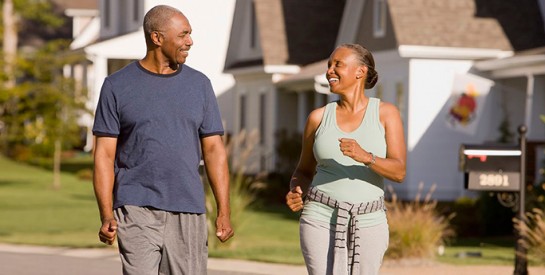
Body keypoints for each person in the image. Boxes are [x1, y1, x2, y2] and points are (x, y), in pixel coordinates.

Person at [92, 5, 233, 275]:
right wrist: (106, 213)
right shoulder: (117, 86)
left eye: (189, 34)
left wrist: (223, 211)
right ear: (157, 38)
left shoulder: (200, 85)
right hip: (135, 206)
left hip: (188, 207)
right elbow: (104, 155)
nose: (190, 41)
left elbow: (214, 150)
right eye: (183, 35)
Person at [285, 43, 406, 275]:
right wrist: (296, 189)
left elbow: (399, 171)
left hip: (369, 221)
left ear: (360, 71)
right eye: (329, 65)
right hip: (319, 217)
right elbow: (303, 171)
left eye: (337, 65)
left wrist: (367, 157)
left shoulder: (386, 114)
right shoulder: (318, 118)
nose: (329, 71)